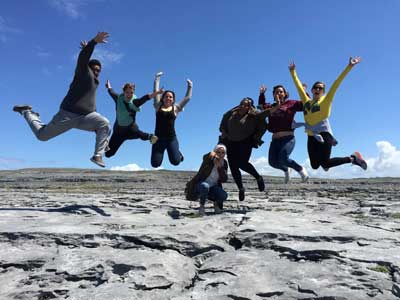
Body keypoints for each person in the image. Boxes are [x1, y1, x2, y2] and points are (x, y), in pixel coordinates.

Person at [13, 32, 111, 168]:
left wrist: (95, 125)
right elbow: (83, 59)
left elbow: (90, 102)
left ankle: (97, 155)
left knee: (104, 123)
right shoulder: (83, 73)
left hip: (86, 116)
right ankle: (27, 112)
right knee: (42, 136)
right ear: (88, 68)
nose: (97, 72)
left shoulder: (95, 82)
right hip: (68, 115)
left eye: (99, 70)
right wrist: (93, 42)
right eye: (94, 69)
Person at [289, 57, 367, 171]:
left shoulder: (326, 100)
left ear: (323, 92)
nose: (318, 89)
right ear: (311, 90)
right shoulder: (306, 101)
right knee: (315, 166)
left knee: (325, 164)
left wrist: (349, 66)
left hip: (325, 134)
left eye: (320, 88)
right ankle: (327, 162)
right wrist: (293, 71)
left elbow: (337, 83)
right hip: (311, 135)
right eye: (315, 87)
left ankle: (353, 158)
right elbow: (298, 86)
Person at [219, 97, 279, 201]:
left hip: (245, 142)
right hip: (231, 142)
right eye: (242, 103)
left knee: (242, 163)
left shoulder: (253, 115)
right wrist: (224, 132)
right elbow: (223, 122)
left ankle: (258, 178)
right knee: (233, 166)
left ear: (250, 107)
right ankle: (241, 188)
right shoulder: (232, 113)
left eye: (246, 105)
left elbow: (265, 114)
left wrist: (277, 106)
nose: (243, 106)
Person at [258, 84, 308, 183]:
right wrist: (262, 94)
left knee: (283, 158)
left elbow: (306, 105)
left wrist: (303, 92)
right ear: (273, 95)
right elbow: (261, 107)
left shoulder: (291, 103)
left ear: (285, 94)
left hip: (288, 138)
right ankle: (286, 169)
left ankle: (300, 169)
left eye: (281, 91)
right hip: (275, 140)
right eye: (276, 92)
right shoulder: (270, 107)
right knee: (272, 162)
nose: (279, 93)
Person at [104, 80, 163, 158]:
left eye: (131, 92)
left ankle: (150, 137)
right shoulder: (118, 99)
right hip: (118, 133)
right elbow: (111, 92)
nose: (129, 95)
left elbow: (145, 98)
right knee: (108, 154)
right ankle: (104, 142)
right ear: (123, 92)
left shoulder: (134, 102)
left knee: (138, 133)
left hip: (130, 129)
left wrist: (157, 93)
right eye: (127, 92)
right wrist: (109, 87)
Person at [151, 72, 192, 167]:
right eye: (166, 96)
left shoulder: (176, 108)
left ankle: (178, 153)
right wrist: (157, 78)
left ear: (173, 100)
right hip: (158, 139)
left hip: (171, 139)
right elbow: (155, 90)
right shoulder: (158, 106)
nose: (168, 98)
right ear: (162, 98)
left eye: (170, 97)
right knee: (155, 164)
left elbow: (187, 98)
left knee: (175, 162)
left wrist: (190, 86)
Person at [185, 144, 228, 216]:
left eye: (223, 152)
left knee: (224, 195)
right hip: (201, 184)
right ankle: (202, 207)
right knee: (205, 186)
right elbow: (205, 156)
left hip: (213, 187)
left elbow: (224, 179)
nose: (220, 154)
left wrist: (220, 168)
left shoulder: (224, 163)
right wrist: (213, 156)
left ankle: (216, 204)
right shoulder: (209, 159)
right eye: (218, 152)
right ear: (215, 152)